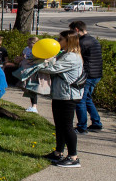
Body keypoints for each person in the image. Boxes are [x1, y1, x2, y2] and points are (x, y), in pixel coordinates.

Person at [38, 31, 85, 168]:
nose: (57, 41)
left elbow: (52, 69)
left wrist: (40, 62)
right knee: (59, 125)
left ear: (68, 41)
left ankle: (73, 157)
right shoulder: (64, 54)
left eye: (60, 39)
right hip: (60, 94)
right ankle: (58, 152)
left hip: (68, 96)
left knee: (67, 126)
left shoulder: (72, 57)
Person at [69, 20, 103, 132]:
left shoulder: (82, 43)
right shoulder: (93, 40)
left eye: (72, 31)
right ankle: (96, 123)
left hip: (87, 75)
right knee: (88, 99)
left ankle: (82, 127)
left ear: (76, 30)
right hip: (96, 74)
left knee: (80, 101)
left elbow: (75, 57)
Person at [18, 37, 47, 114]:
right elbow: (23, 56)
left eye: (30, 43)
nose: (28, 44)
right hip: (27, 70)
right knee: (28, 88)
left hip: (33, 71)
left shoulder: (38, 50)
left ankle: (34, 106)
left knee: (33, 88)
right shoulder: (26, 49)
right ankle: (32, 105)